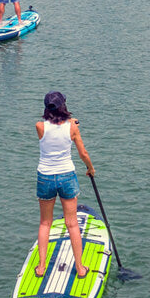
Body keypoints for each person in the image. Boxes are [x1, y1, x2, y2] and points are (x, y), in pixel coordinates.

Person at [34, 91, 94, 279]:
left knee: (45, 223)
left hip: (45, 177)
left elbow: (53, 125)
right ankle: (80, 267)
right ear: (63, 106)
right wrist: (90, 169)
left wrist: (70, 122)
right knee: (72, 224)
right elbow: (83, 153)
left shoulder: (39, 127)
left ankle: (42, 266)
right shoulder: (72, 128)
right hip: (67, 176)